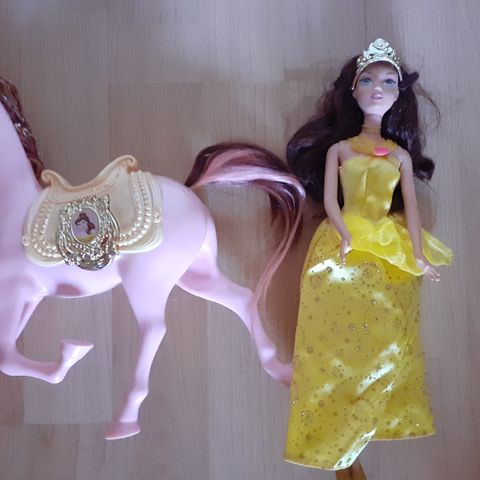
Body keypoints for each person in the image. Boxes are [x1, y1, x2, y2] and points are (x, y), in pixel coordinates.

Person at [282, 39, 453, 479]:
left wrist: (419, 254)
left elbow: (410, 210)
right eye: (368, 80)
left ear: (399, 94)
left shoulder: (399, 155)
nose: (378, 88)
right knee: (333, 340)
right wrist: (342, 231)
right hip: (342, 244)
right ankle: (339, 438)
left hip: (388, 247)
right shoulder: (341, 149)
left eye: (389, 82)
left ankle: (369, 421)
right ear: (353, 91)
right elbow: (330, 200)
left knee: (389, 336)